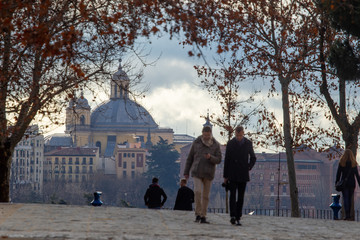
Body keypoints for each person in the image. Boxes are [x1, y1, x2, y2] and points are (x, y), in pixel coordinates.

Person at [184, 126, 222, 223]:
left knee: (205, 196)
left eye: (208, 135)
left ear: (211, 134)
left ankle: (203, 215)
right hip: (197, 171)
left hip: (208, 173)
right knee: (197, 192)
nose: (206, 137)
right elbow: (190, 158)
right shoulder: (196, 143)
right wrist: (186, 172)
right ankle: (198, 213)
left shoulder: (216, 145)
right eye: (205, 135)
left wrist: (210, 158)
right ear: (202, 133)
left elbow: (219, 159)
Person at [223, 126, 256, 226]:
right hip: (232, 173)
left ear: (243, 133)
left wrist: (249, 167)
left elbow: (253, 157)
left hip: (243, 173)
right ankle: (233, 215)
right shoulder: (230, 143)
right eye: (237, 135)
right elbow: (227, 160)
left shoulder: (248, 143)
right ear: (235, 134)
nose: (238, 137)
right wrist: (225, 176)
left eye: (240, 135)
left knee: (240, 197)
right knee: (232, 195)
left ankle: (238, 216)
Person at [335, 149, 360, 220]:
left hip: (344, 184)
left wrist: (336, 182)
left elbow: (338, 174)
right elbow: (357, 176)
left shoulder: (342, 163)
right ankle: (349, 215)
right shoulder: (353, 164)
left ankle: (347, 215)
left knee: (345, 198)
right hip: (352, 184)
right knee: (350, 198)